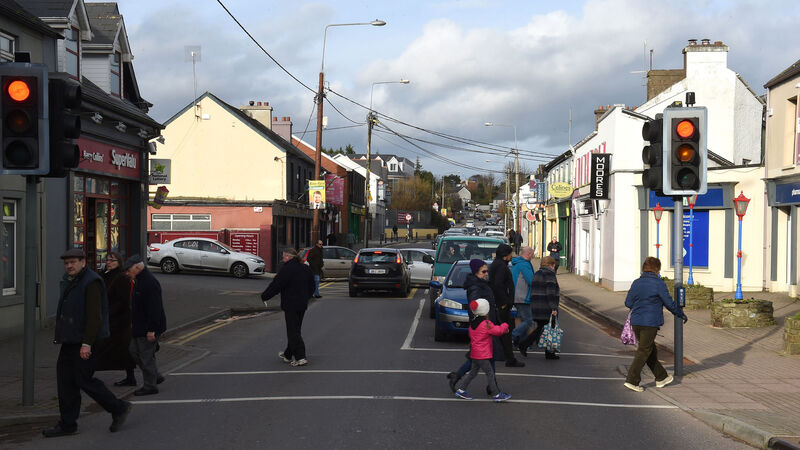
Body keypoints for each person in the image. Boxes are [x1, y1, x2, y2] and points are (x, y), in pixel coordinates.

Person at [42, 249, 132, 438]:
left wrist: (87, 344)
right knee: (65, 381)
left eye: (73, 262)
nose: (69, 266)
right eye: (66, 263)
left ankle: (118, 408)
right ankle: (68, 424)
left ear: (83, 262)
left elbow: (95, 317)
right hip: (70, 340)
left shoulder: (91, 282)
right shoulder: (72, 280)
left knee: (84, 380)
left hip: (84, 341)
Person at [624, 257, 687, 392]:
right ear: (657, 269)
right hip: (650, 323)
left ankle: (661, 377)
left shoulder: (636, 283)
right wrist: (680, 313)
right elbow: (669, 303)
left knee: (650, 350)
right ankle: (632, 380)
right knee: (644, 351)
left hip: (636, 322)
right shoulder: (659, 284)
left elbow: (628, 303)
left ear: (644, 268)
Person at [446, 259, 504, 392]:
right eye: (483, 272)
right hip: (484, 326)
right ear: (476, 272)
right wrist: (482, 325)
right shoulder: (476, 287)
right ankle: (493, 388)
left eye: (487, 271)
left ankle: (457, 375)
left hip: (487, 324)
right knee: (489, 356)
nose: (486, 274)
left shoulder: (482, 284)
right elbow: (474, 307)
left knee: (478, 357)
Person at [261, 249, 315, 367]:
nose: (283, 259)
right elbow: (312, 285)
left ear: (288, 257)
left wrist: (265, 296)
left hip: (290, 304)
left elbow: (276, 285)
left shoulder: (286, 270)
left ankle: (301, 357)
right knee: (296, 329)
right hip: (302, 304)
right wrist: (307, 297)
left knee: (293, 331)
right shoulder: (305, 268)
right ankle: (288, 355)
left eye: (284, 257)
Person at [453, 299, 512, 402]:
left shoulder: (473, 323)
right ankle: (496, 394)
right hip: (483, 355)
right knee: (490, 373)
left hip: (475, 353)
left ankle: (461, 390)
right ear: (486, 310)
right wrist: (505, 325)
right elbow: (497, 331)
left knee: (472, 373)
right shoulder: (486, 324)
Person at [94, 252, 137, 387]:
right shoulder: (105, 275)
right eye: (107, 260)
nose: (109, 262)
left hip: (119, 321)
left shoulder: (121, 278)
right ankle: (131, 377)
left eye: (112, 260)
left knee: (117, 350)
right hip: (110, 319)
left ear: (119, 262)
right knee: (113, 350)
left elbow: (123, 301)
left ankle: (131, 377)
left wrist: (109, 313)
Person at [125, 256, 167, 396]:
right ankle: (155, 375)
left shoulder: (149, 282)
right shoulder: (139, 280)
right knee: (133, 351)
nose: (127, 273)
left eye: (128, 270)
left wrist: (152, 330)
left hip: (148, 328)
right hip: (139, 327)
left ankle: (150, 386)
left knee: (146, 356)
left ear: (137, 268)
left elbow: (155, 308)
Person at [517, 256, 561, 359]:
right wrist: (554, 308)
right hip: (546, 307)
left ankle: (549, 353)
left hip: (537, 306)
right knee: (546, 329)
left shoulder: (537, 273)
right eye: (554, 265)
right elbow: (550, 293)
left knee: (544, 329)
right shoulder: (550, 274)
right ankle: (524, 344)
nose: (554, 267)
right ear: (551, 264)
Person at [488, 244, 524, 368]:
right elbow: (498, 285)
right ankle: (510, 359)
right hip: (501, 306)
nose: (511, 256)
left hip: (499, 305)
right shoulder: (501, 267)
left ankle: (508, 357)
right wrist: (504, 302)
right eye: (510, 253)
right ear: (505, 255)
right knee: (505, 332)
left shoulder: (497, 264)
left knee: (504, 333)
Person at [510, 246, 535, 346]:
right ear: (528, 254)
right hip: (523, 297)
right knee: (528, 321)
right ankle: (513, 336)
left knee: (524, 320)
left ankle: (521, 343)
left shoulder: (517, 263)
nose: (533, 256)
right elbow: (531, 281)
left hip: (517, 296)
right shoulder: (524, 265)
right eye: (532, 254)